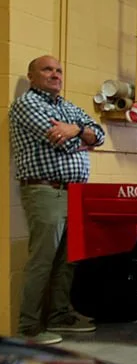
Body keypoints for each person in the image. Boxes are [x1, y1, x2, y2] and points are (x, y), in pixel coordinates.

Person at [10, 55, 106, 344]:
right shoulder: (27, 105)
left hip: (73, 192)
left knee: (68, 259)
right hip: (45, 190)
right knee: (43, 259)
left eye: (59, 70)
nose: (55, 75)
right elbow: (59, 142)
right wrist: (81, 139)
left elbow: (98, 135)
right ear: (32, 75)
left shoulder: (67, 106)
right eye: (47, 70)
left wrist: (77, 130)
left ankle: (59, 316)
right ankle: (29, 327)